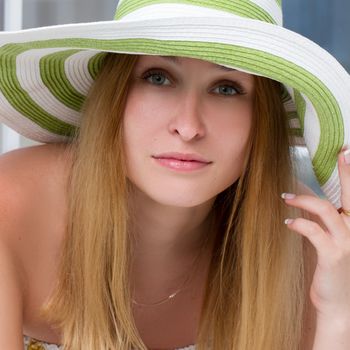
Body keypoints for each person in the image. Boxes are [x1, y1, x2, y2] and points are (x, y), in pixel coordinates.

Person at [0, 0, 350, 349]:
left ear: (262, 120)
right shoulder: (11, 207)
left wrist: (338, 316)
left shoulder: (303, 245)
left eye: (226, 87)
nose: (188, 127)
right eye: (158, 78)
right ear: (114, 96)